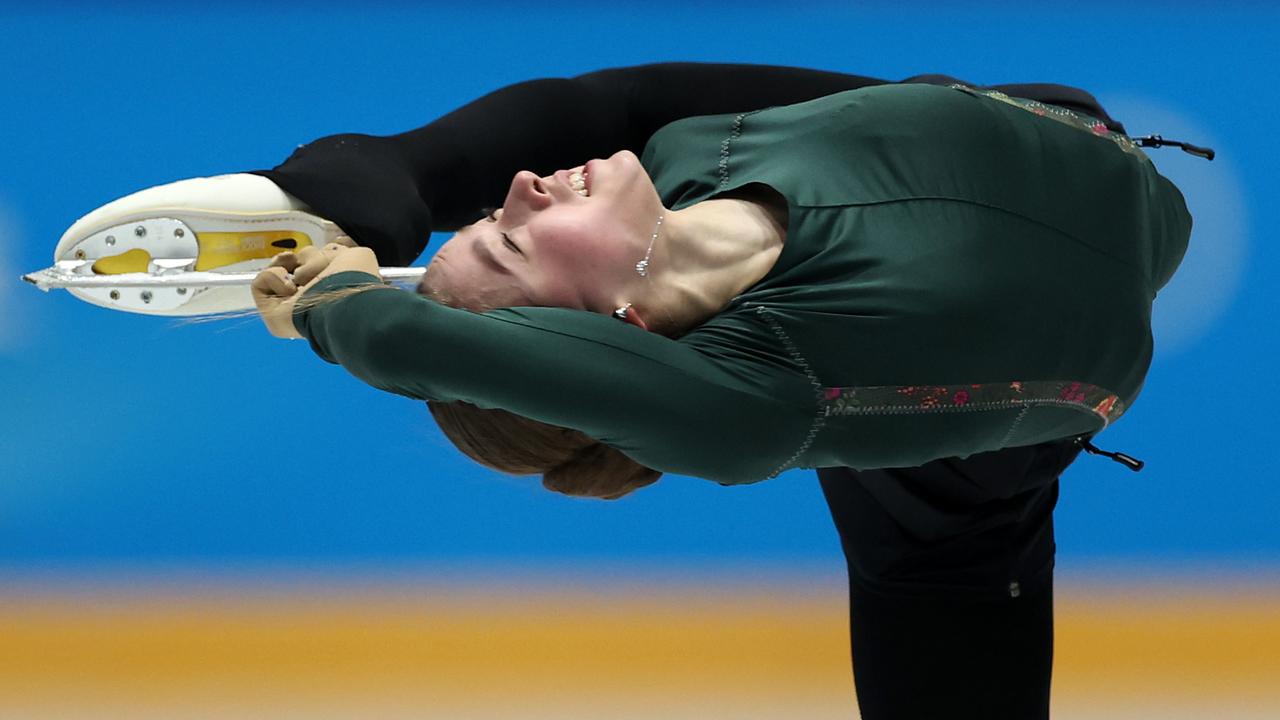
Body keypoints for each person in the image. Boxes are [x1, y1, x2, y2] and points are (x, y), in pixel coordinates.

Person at [59, 63, 1193, 719]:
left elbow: (571, 108)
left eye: (490, 226)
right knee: (943, 551)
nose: (515, 192)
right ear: (622, 337)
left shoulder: (697, 147)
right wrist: (330, 309)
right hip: (940, 408)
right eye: (511, 245)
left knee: (603, 125)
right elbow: (437, 351)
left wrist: (352, 185)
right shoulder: (762, 398)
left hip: (1052, 139)